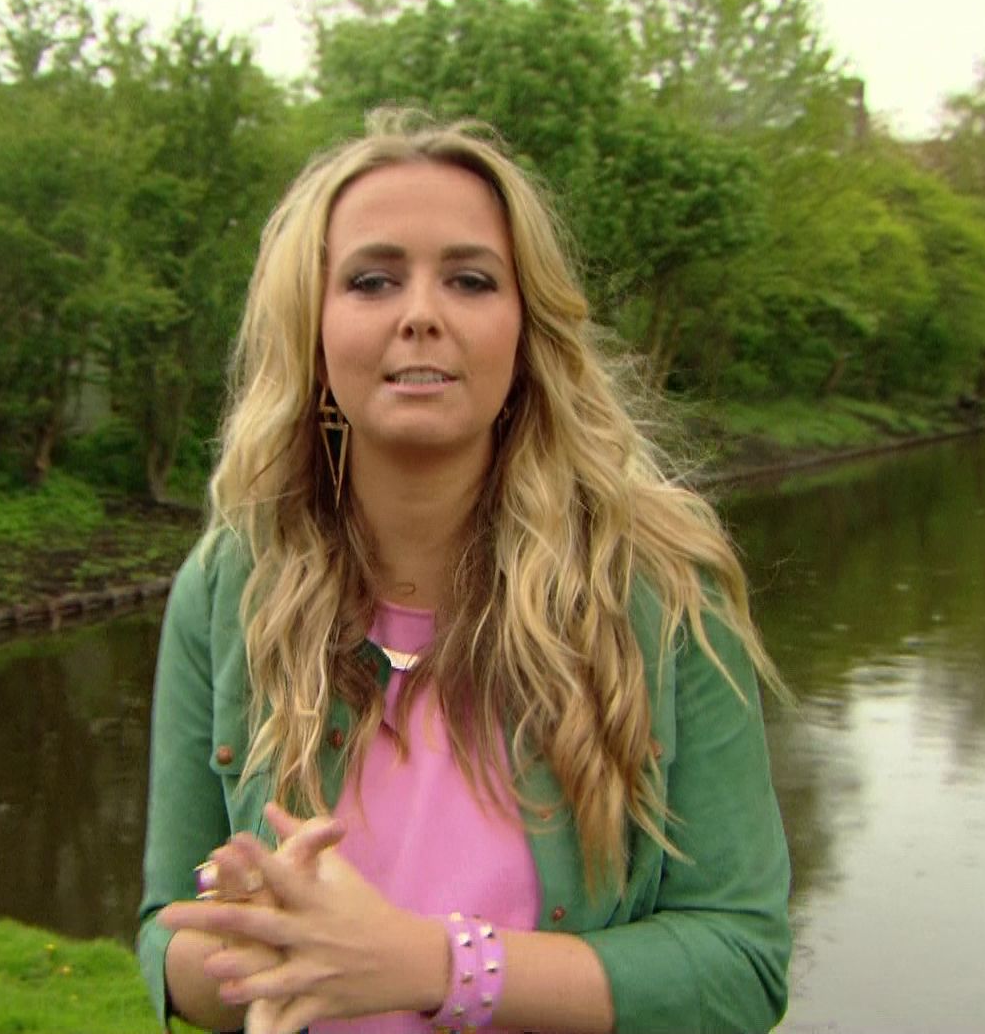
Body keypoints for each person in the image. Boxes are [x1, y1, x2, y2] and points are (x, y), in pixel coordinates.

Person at [136, 110, 791, 1034]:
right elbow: (166, 941)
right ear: (313, 330)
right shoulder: (227, 586)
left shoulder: (659, 588)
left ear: (525, 332)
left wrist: (432, 966)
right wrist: (257, 944)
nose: (420, 314)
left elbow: (742, 968)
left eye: (470, 280)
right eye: (372, 280)